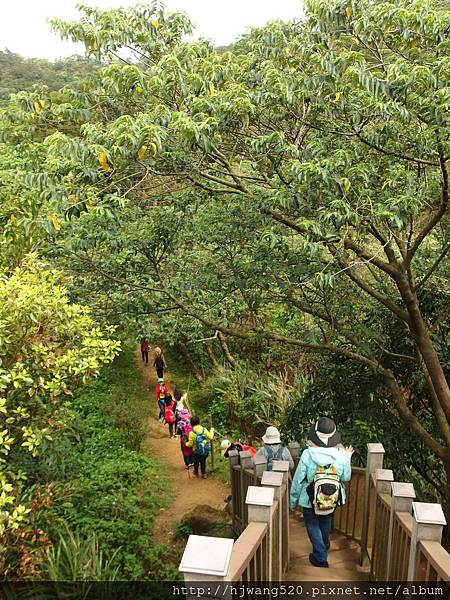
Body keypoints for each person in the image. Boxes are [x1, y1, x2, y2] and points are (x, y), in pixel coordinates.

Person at [289, 417, 353, 569]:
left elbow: (298, 480)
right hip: (331, 497)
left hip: (309, 496)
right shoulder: (341, 454)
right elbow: (346, 477)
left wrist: (292, 502)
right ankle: (323, 547)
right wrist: (348, 458)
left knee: (311, 523)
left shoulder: (307, 454)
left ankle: (320, 556)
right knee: (325, 521)